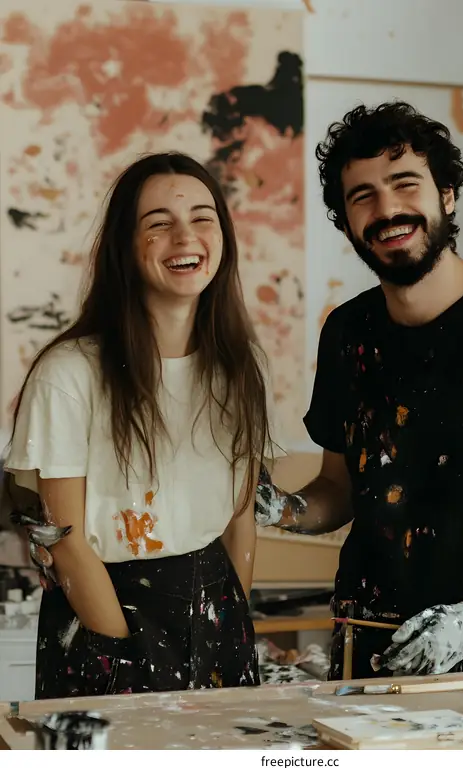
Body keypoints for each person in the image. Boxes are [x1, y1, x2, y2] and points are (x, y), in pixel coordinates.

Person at [255, 101, 463, 680]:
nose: (386, 209)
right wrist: (284, 509)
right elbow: (339, 488)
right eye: (362, 195)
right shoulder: (347, 333)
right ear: (345, 220)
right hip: (362, 645)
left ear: (447, 194)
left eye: (404, 184)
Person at [3, 151, 281, 699]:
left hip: (218, 606)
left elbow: (240, 519)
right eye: (160, 223)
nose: (186, 236)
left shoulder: (242, 366)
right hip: (106, 613)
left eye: (203, 218)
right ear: (126, 248)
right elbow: (66, 542)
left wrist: (232, 618)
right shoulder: (69, 372)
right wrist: (124, 657)